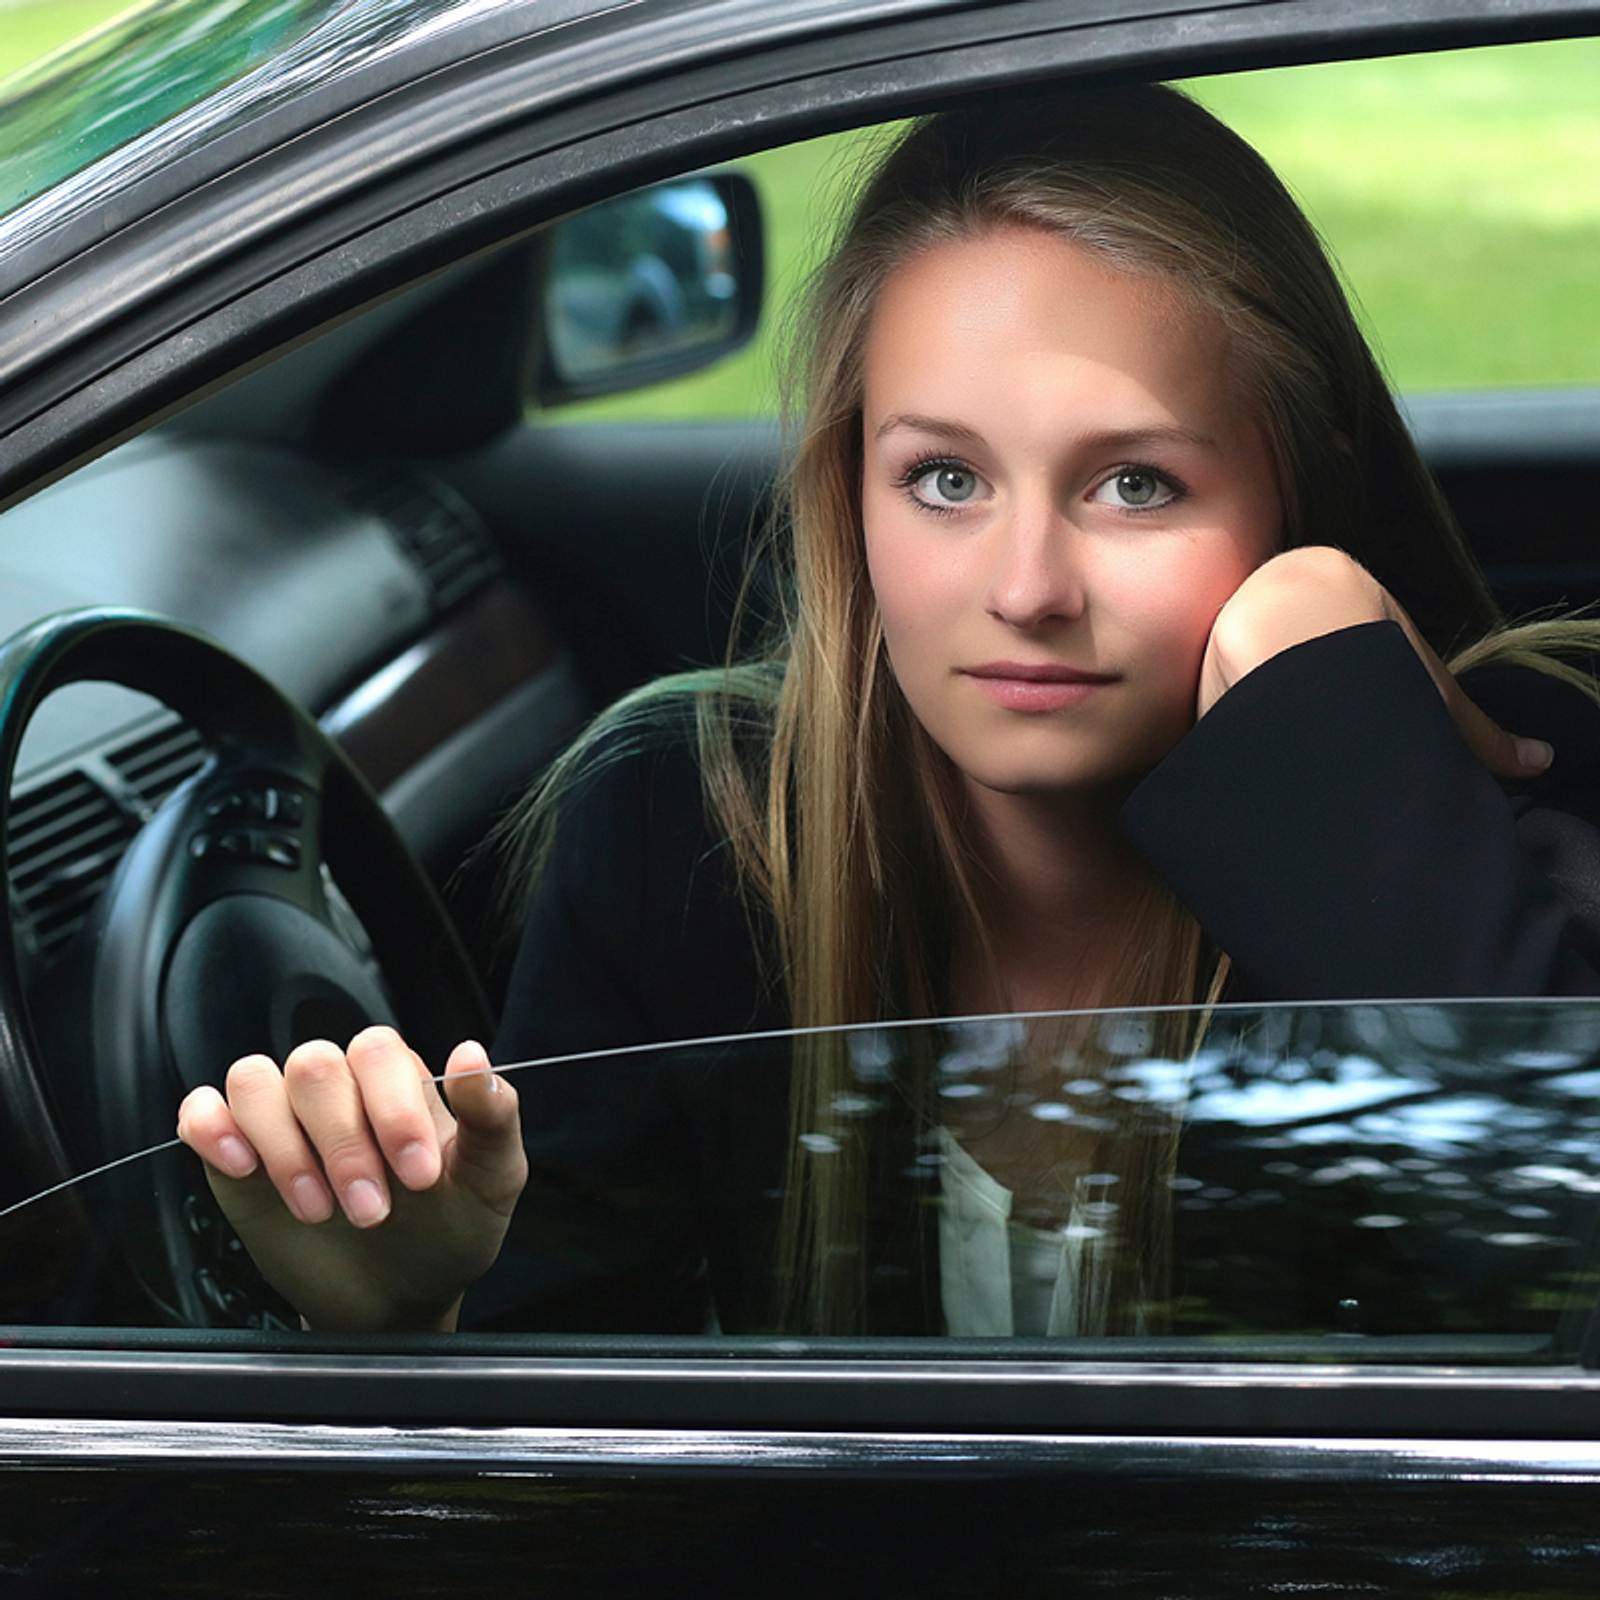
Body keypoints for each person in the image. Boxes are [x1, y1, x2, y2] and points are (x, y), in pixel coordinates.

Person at [176, 83, 1600, 1339]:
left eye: (1138, 484)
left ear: (1297, 492)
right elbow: (585, 1482)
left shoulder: (1480, 791)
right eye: (945, 479)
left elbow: (1558, 1251)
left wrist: (1352, 783)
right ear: (848, 494)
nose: (1028, 589)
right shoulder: (691, 822)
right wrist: (420, 1311)